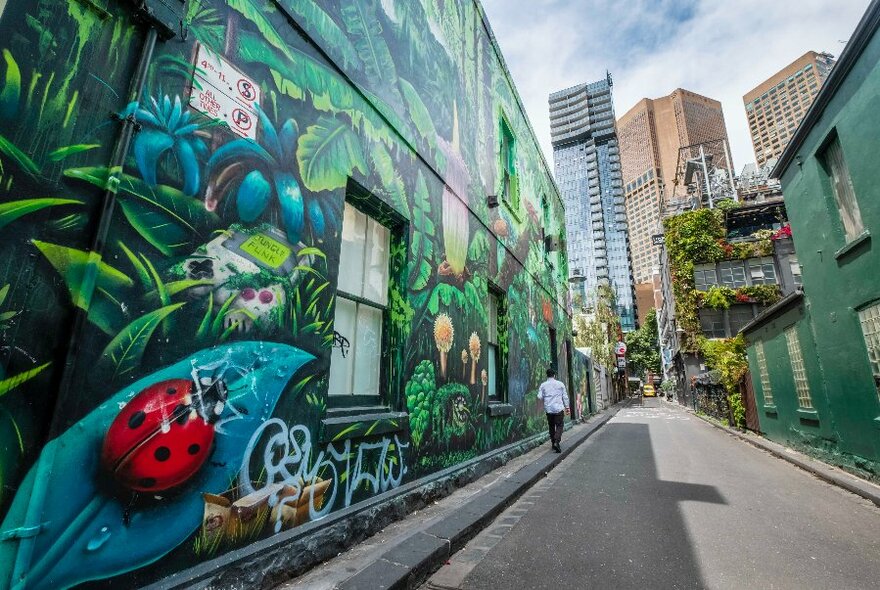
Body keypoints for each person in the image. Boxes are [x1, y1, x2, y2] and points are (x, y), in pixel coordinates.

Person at [538, 368, 569, 453]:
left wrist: (546, 395)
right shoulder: (560, 384)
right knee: (559, 425)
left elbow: (539, 397)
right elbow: (565, 397)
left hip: (549, 409)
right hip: (558, 408)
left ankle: (553, 443)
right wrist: (567, 407)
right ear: (554, 375)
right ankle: (556, 442)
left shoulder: (543, 385)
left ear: (547, 375)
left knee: (551, 426)